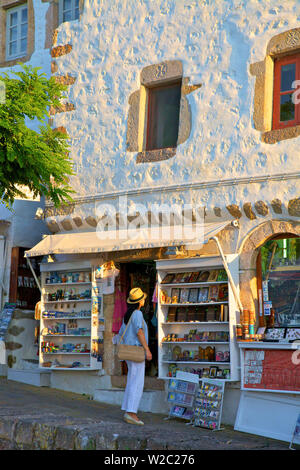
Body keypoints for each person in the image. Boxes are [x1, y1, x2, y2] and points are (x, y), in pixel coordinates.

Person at [118, 287, 152, 425]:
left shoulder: (127, 315)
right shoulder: (137, 314)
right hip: (137, 351)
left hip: (129, 352)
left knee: (132, 380)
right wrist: (147, 349)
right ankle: (132, 413)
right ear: (139, 301)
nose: (144, 299)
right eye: (143, 298)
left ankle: (128, 410)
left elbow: (121, 333)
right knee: (137, 382)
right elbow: (139, 332)